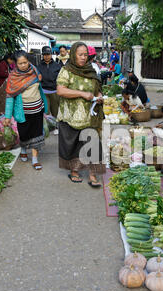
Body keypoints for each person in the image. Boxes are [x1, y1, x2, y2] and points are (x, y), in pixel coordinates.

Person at [56, 42, 105, 187]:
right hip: (71, 116)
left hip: (90, 116)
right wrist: (82, 94)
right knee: (73, 145)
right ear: (73, 55)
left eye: (85, 55)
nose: (83, 58)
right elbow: (60, 90)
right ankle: (75, 171)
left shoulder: (91, 70)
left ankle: (92, 174)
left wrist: (99, 96)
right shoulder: (66, 70)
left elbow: (97, 88)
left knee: (92, 144)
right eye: (80, 55)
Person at [3, 50, 49, 171]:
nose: (24, 65)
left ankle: (34, 158)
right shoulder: (13, 78)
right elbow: (9, 97)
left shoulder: (34, 71)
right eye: (20, 63)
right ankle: (23, 149)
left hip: (37, 109)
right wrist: (7, 116)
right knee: (24, 133)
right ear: (16, 64)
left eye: (25, 62)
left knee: (37, 133)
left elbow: (39, 86)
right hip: (22, 112)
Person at [37, 46, 61, 135]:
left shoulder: (57, 66)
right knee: (45, 111)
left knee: (55, 110)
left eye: (48, 54)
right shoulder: (39, 66)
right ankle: (46, 128)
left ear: (51, 54)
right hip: (44, 91)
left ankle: (56, 127)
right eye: (45, 55)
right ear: (42, 55)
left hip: (54, 91)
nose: (46, 56)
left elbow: (61, 79)